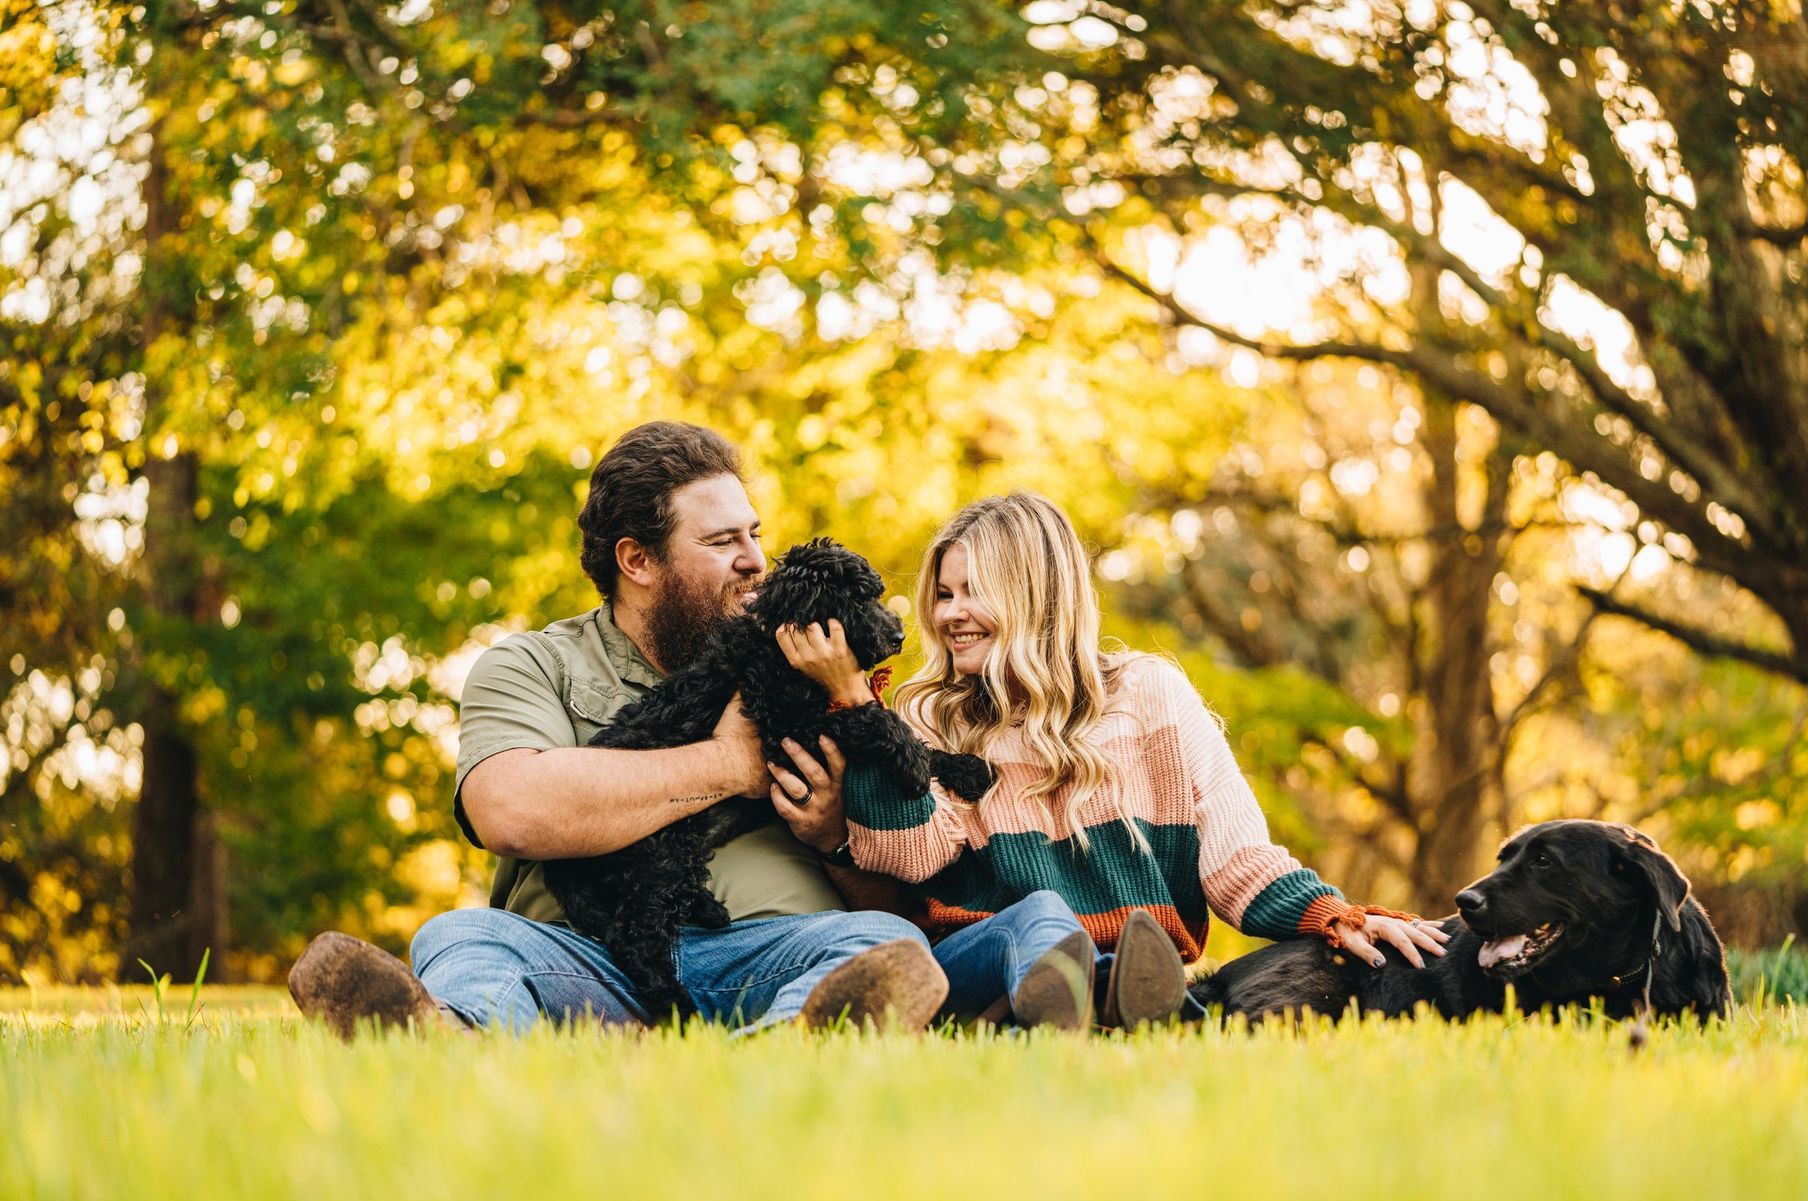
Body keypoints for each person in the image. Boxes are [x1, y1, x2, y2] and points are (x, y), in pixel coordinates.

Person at [287, 421, 947, 1037]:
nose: (756, 560)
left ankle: (783, 1043)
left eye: (754, 534)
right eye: (723, 541)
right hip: (590, 962)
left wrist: (836, 839)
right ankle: (456, 1041)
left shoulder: (810, 660)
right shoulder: (531, 665)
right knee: (459, 936)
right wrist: (728, 763)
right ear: (637, 560)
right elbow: (510, 809)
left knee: (888, 944)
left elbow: (897, 889)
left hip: (771, 951)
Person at [775, 491, 1448, 1034]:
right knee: (1041, 915)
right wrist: (854, 704)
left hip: (1135, 959)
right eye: (943, 594)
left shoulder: (1150, 695)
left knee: (1179, 951)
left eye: (972, 590)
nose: (951, 614)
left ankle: (1103, 1003)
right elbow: (908, 852)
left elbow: (1237, 861)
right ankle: (1109, 1006)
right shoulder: (926, 718)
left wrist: (1335, 915)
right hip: (978, 958)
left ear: (1036, 595)